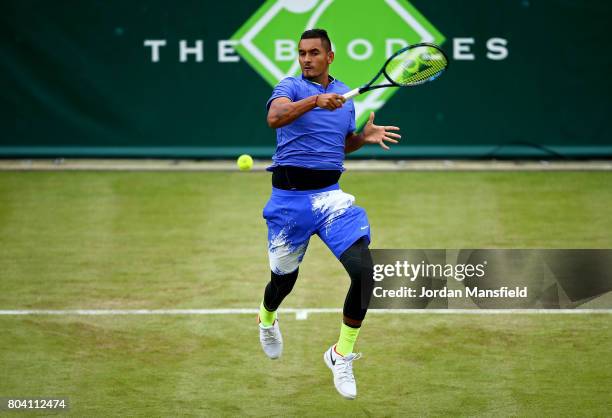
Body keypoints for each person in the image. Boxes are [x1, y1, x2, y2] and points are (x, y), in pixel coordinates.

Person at [257, 28, 401, 400]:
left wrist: (361, 139)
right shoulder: (290, 87)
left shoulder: (345, 99)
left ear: (329, 57)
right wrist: (316, 101)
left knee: (365, 272)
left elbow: (339, 144)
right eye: (302, 53)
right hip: (289, 204)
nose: (306, 59)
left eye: (314, 53)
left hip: (330, 199)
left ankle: (340, 354)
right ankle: (267, 317)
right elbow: (276, 117)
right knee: (282, 284)